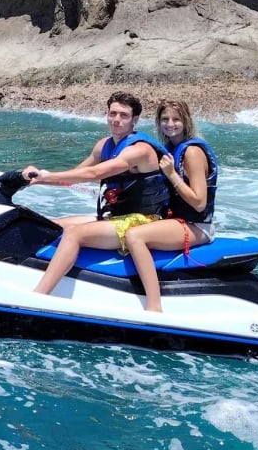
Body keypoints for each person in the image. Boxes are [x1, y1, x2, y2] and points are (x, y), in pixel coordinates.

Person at [21, 92, 170, 297]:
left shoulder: (140, 150)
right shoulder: (104, 145)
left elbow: (94, 173)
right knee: (49, 224)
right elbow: (74, 177)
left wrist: (48, 176)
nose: (116, 120)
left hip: (142, 221)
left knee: (74, 233)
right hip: (114, 217)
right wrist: (35, 179)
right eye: (113, 114)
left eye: (123, 115)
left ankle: (39, 295)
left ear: (134, 120)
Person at [122, 100, 219, 313]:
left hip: (195, 225)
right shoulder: (170, 149)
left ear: (186, 121)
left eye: (176, 119)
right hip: (172, 220)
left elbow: (199, 202)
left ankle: (154, 307)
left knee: (134, 236)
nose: (170, 124)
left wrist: (172, 175)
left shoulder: (192, 152)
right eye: (164, 119)